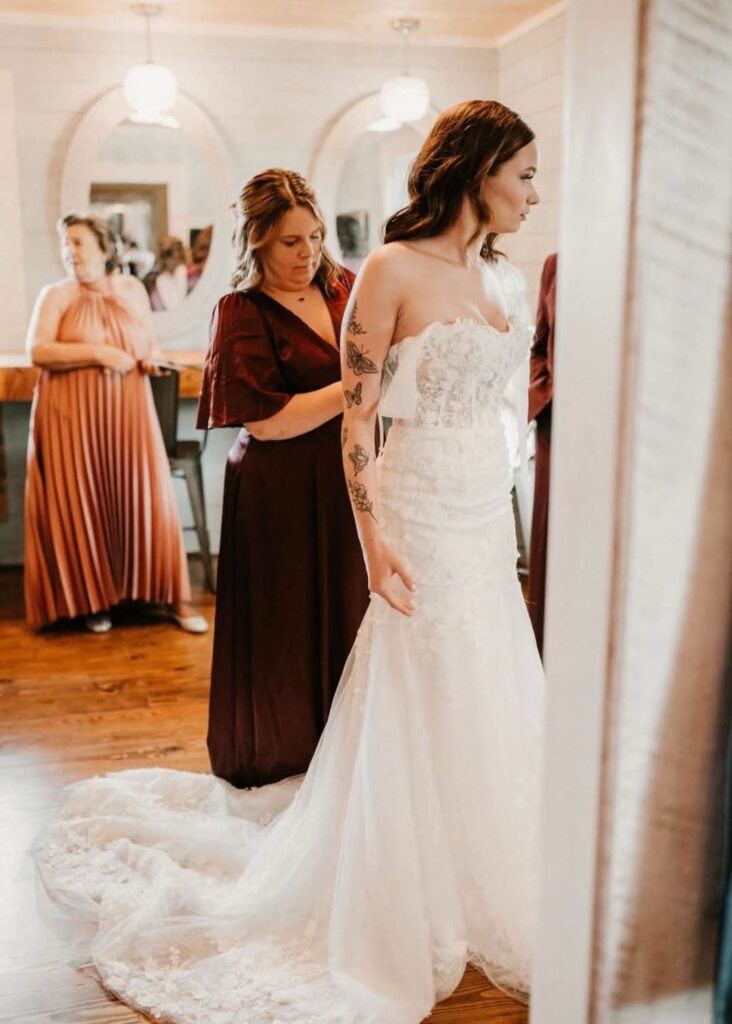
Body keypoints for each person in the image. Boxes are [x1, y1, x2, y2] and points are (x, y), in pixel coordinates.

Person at [35, 101, 544, 1023]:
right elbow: (357, 413)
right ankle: (396, 873)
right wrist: (376, 531)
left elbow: (493, 400)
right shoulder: (384, 271)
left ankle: (491, 863)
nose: (535, 197)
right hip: (410, 508)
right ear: (476, 171)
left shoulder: (499, 277)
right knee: (412, 684)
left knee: (489, 682)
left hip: (481, 514)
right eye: (525, 176)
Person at [197, 169, 369, 786]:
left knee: (346, 610)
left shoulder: (345, 287)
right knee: (285, 624)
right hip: (275, 488)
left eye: (315, 237)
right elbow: (266, 422)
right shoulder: (239, 312)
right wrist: (354, 389)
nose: (308, 254)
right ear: (256, 242)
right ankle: (281, 758)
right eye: (289, 243)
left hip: (343, 477)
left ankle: (342, 756)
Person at [24, 213, 207, 635]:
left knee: (148, 499)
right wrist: (100, 354)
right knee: (85, 501)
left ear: (105, 249)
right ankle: (94, 600)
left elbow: (147, 340)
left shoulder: (131, 289)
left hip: (128, 412)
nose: (69, 252)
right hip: (72, 418)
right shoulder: (57, 295)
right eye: (65, 243)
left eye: (78, 243)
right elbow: (39, 351)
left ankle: (173, 600)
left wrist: (149, 359)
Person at [527, 252, 558, 657]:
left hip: (618, 435)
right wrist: (545, 396)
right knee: (549, 548)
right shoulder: (554, 265)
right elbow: (540, 344)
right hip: (557, 431)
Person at [146, 235, 189, 311]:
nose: (167, 258)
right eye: (165, 254)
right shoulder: (161, 280)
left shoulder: (185, 272)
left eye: (170, 253)